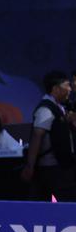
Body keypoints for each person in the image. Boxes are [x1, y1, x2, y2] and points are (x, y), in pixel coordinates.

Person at [21, 70, 76, 202]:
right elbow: (36, 137)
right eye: (67, 85)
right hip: (50, 169)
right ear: (56, 89)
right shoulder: (45, 109)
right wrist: (30, 166)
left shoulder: (60, 108)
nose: (70, 89)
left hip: (61, 165)